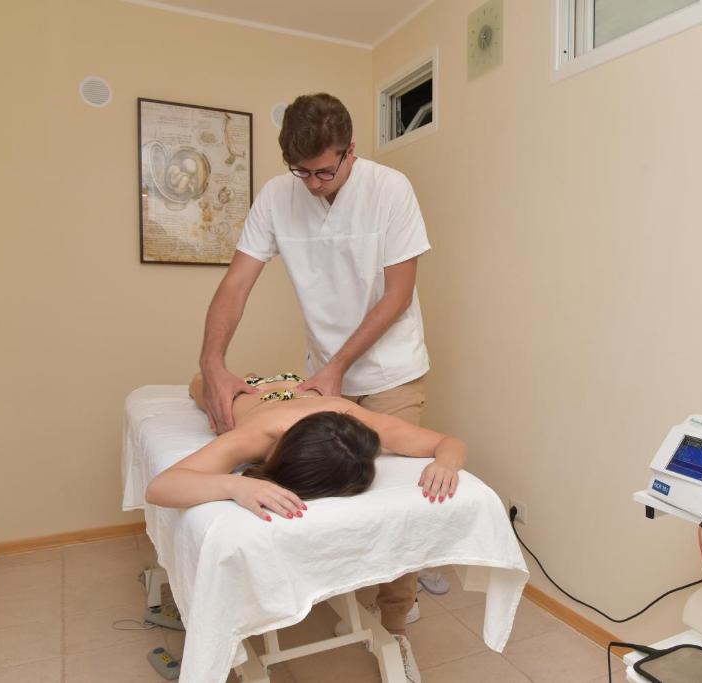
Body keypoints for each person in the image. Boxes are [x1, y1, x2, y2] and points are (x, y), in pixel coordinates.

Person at [197, 93, 433, 681]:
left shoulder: (390, 190)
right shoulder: (279, 196)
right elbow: (236, 284)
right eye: (300, 172)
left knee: (397, 502)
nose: (313, 184)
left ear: (350, 151)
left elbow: (398, 295)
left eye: (325, 171)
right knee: (333, 489)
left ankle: (395, 624)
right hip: (320, 376)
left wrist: (339, 367)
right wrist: (213, 364)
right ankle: (342, 594)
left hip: (389, 371)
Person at [146, 373, 465, 683]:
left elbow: (448, 443)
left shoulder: (353, 421)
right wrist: (234, 485)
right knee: (201, 385)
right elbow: (161, 487)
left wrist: (445, 463)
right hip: (249, 394)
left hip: (299, 387)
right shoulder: (256, 435)